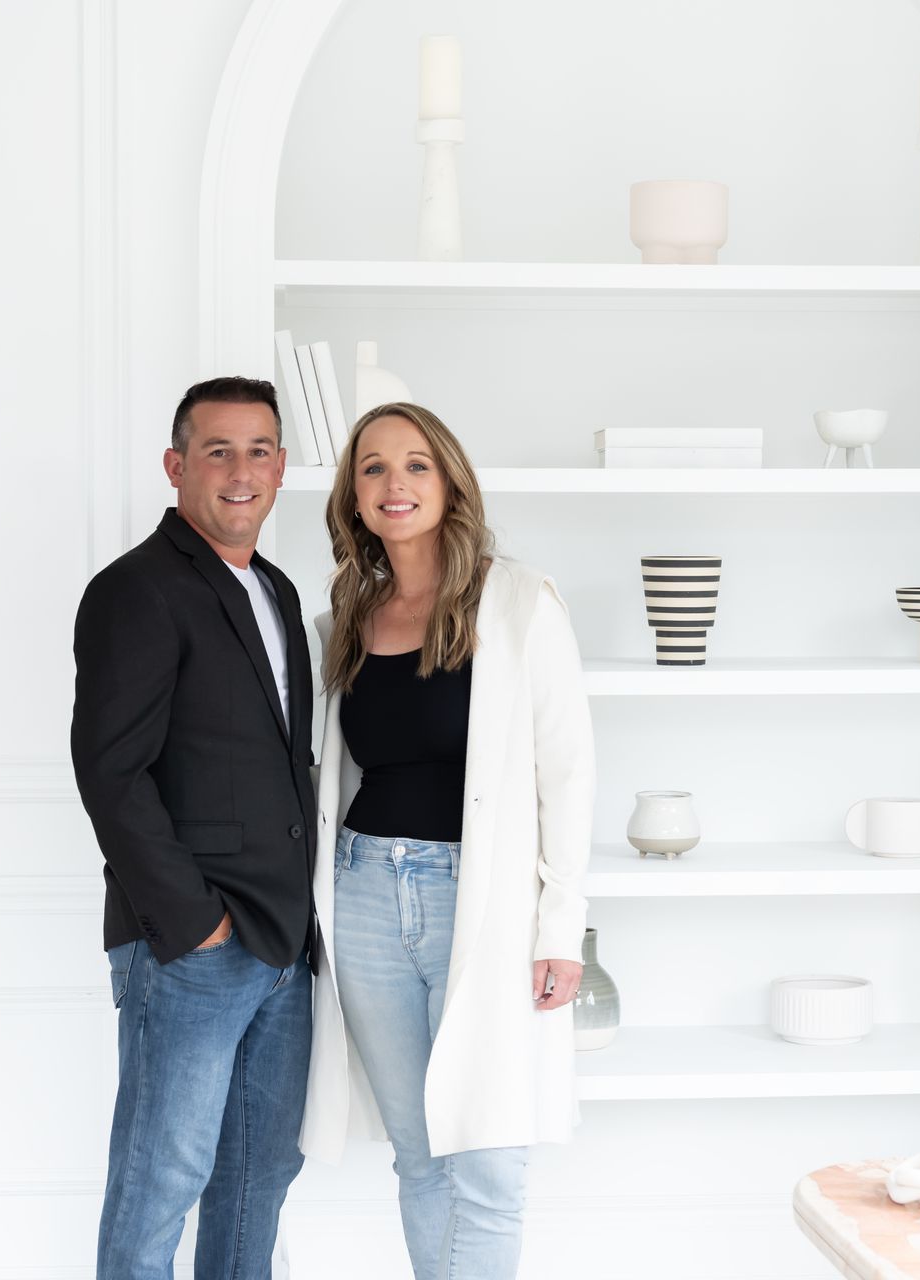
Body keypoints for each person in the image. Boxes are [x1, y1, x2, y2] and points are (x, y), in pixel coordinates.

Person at [299, 401, 596, 1279]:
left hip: (484, 901)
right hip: (362, 899)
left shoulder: (518, 602)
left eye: (417, 464)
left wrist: (560, 928)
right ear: (353, 497)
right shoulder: (345, 621)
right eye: (374, 467)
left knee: (492, 1160)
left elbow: (568, 773)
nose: (396, 484)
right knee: (421, 1154)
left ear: (450, 480)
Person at [71, 376, 317, 1280]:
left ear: (283, 469)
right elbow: (111, 772)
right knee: (160, 1180)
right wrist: (196, 925)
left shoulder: (279, 591)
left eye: (258, 451)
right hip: (192, 947)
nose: (240, 470)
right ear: (177, 466)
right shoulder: (136, 590)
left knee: (258, 1177)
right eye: (217, 450)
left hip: (285, 945)